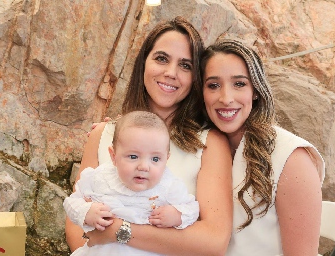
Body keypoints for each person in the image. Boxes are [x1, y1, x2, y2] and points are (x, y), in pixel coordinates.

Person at [65, 16, 233, 255]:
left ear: (196, 78)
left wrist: (119, 231)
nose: (171, 73)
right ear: (144, 62)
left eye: (185, 65)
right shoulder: (102, 135)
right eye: (161, 59)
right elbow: (76, 224)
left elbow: (213, 241)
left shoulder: (208, 144)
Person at [200, 39, 325, 255]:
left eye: (239, 84)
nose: (226, 98)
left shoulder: (292, 158)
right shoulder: (199, 148)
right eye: (213, 85)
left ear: (256, 91)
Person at [64, 111, 200, 255]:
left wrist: (177, 215)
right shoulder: (100, 178)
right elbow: (72, 202)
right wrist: (86, 212)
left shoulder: (169, 186)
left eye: (155, 159)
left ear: (166, 159)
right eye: (133, 156)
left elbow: (192, 209)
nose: (143, 167)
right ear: (113, 156)